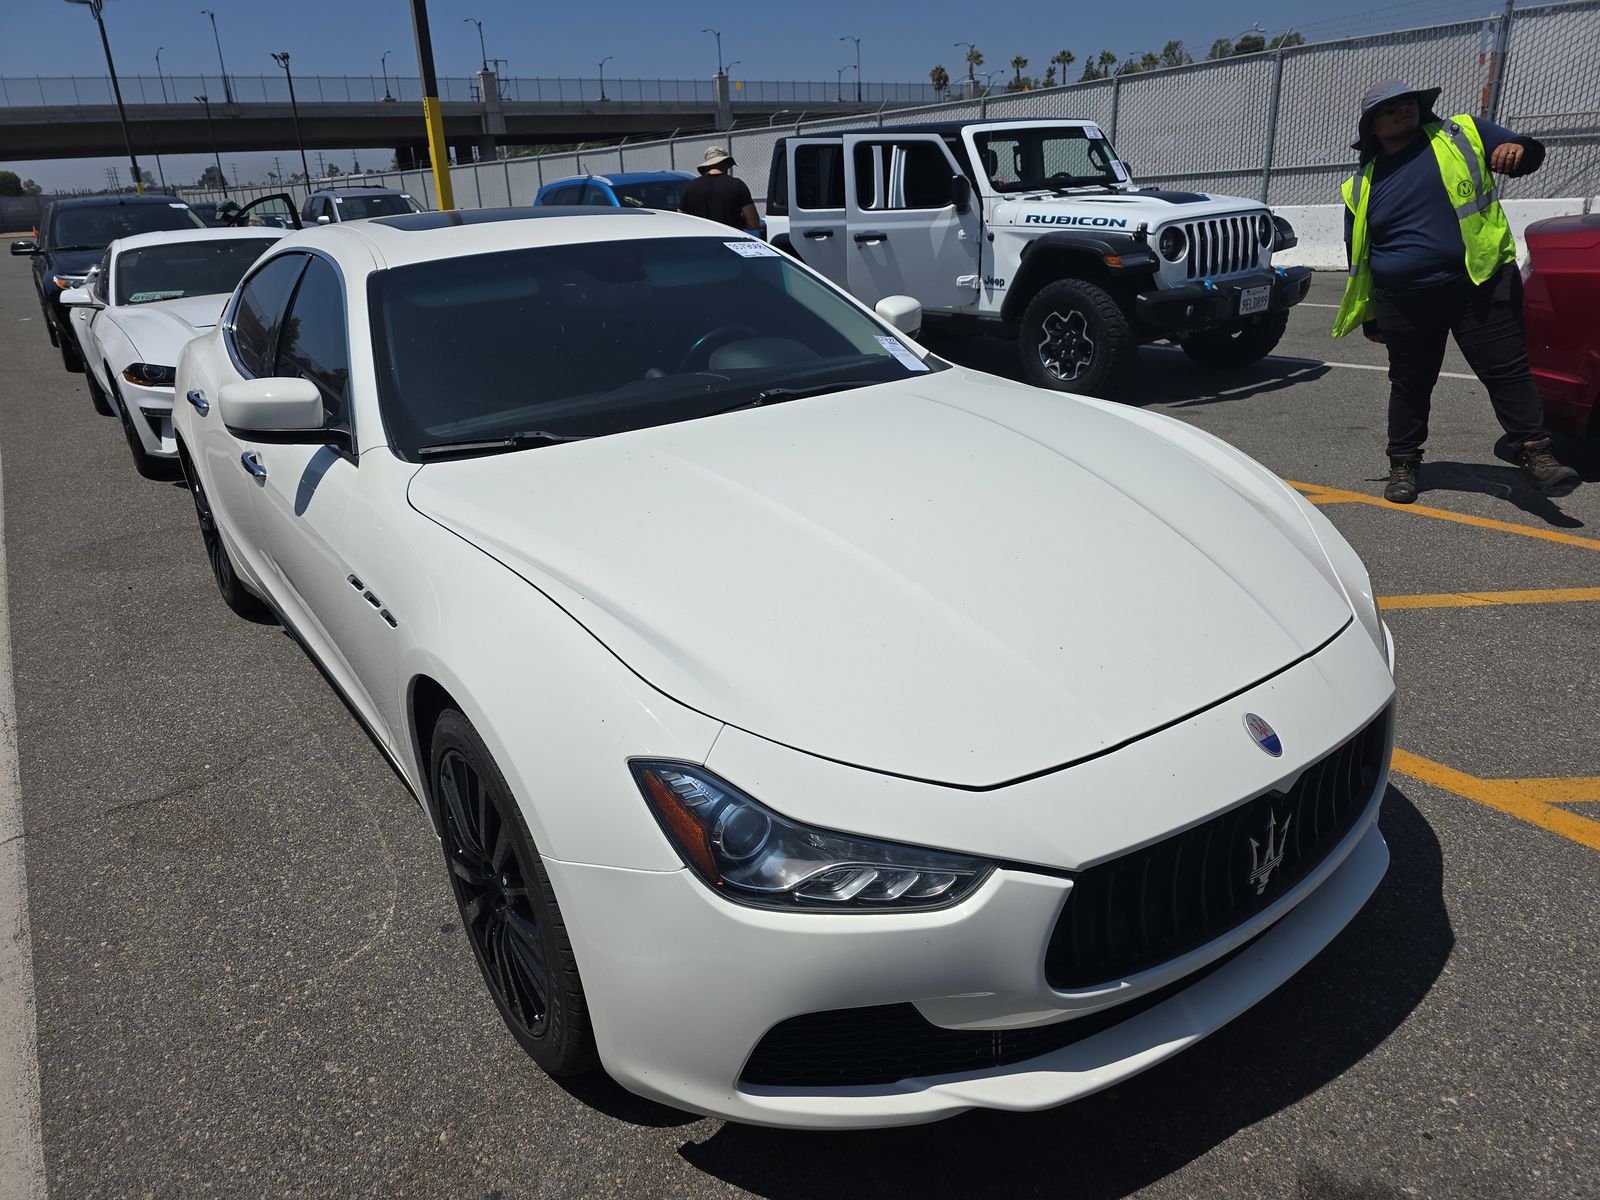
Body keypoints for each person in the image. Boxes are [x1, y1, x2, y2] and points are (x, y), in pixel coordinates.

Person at [1331, 80, 1579, 504]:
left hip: (1479, 282)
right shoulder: (1360, 186)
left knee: (1506, 371)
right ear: (1371, 127)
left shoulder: (1462, 134)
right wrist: (1372, 315)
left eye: (1407, 101)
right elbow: (1360, 254)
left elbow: (1526, 154)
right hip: (1405, 298)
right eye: (1388, 108)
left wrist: (1520, 151)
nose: (1401, 109)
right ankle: (1404, 463)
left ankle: (1538, 455)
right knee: (1410, 383)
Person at [679, 146, 762, 234]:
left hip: (700, 242)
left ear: (706, 166)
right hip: (730, 241)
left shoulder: (690, 187)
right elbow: (753, 223)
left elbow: (681, 217)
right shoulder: (737, 185)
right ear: (726, 163)